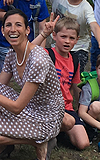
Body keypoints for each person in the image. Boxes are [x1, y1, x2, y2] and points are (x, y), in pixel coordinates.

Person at [0, 9, 64, 160]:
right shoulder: (12, 53)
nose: (13, 29)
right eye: (8, 25)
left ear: (27, 30)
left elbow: (17, 108)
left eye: (18, 25)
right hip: (28, 108)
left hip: (45, 118)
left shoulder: (39, 60)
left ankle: (37, 140)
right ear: (3, 31)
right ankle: (5, 137)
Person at [38, 0, 100, 73]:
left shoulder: (86, 7)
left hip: (78, 47)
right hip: (57, 44)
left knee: (74, 76)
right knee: (55, 75)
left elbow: (93, 24)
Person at [40, 17, 90, 150]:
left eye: (71, 38)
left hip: (66, 108)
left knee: (83, 143)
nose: (67, 41)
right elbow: (35, 54)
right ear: (54, 36)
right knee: (65, 122)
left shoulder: (75, 60)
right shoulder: (47, 54)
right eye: (63, 37)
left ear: (77, 40)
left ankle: (58, 135)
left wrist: (82, 109)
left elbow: (75, 87)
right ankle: (52, 133)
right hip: (47, 107)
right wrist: (44, 33)